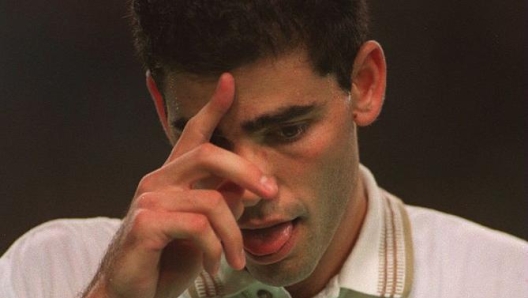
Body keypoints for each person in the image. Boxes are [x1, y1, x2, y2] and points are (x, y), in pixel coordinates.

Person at [1, 1, 526, 297]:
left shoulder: (504, 282)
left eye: (288, 130)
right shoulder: (50, 273)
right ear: (163, 108)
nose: (253, 187)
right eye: (213, 139)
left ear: (364, 83)